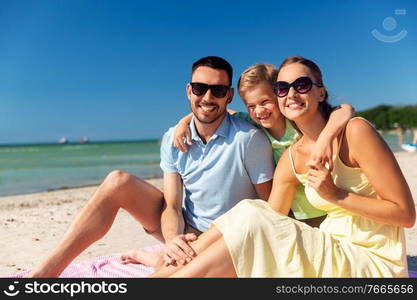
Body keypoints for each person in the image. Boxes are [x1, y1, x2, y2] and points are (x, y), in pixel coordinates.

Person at [149, 56, 416, 278]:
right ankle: (161, 275)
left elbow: (406, 215)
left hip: (371, 263)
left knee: (252, 215)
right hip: (331, 248)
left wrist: (336, 195)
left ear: (321, 91)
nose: (291, 94)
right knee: (250, 209)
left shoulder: (355, 132)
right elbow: (265, 221)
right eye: (282, 88)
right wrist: (186, 120)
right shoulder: (291, 156)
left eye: (301, 85)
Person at [29, 56, 276, 277]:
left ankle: (157, 260)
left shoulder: (249, 139)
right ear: (189, 90)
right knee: (118, 181)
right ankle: (48, 271)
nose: (208, 97)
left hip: (226, 238)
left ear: (229, 95)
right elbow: (171, 206)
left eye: (218, 90)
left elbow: (269, 210)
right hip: (185, 229)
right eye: (200, 88)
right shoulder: (173, 138)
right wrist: (172, 240)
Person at [173, 63, 354, 228]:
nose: (259, 111)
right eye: (251, 105)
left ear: (279, 93)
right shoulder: (254, 125)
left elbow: (344, 109)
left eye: (265, 101)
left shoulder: (296, 122)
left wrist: (325, 139)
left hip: (322, 211)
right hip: (289, 213)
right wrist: (184, 121)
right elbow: (214, 109)